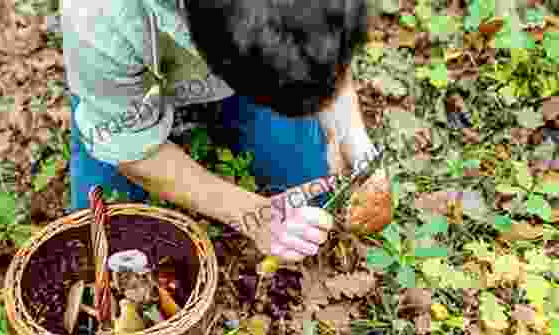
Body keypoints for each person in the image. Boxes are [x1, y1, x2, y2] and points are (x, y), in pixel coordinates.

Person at [61, 0, 385, 263]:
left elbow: (324, 38)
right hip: (124, 87)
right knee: (112, 249)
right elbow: (129, 148)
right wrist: (251, 213)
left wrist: (351, 135)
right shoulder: (98, 14)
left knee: (313, 201)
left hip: (238, 53)